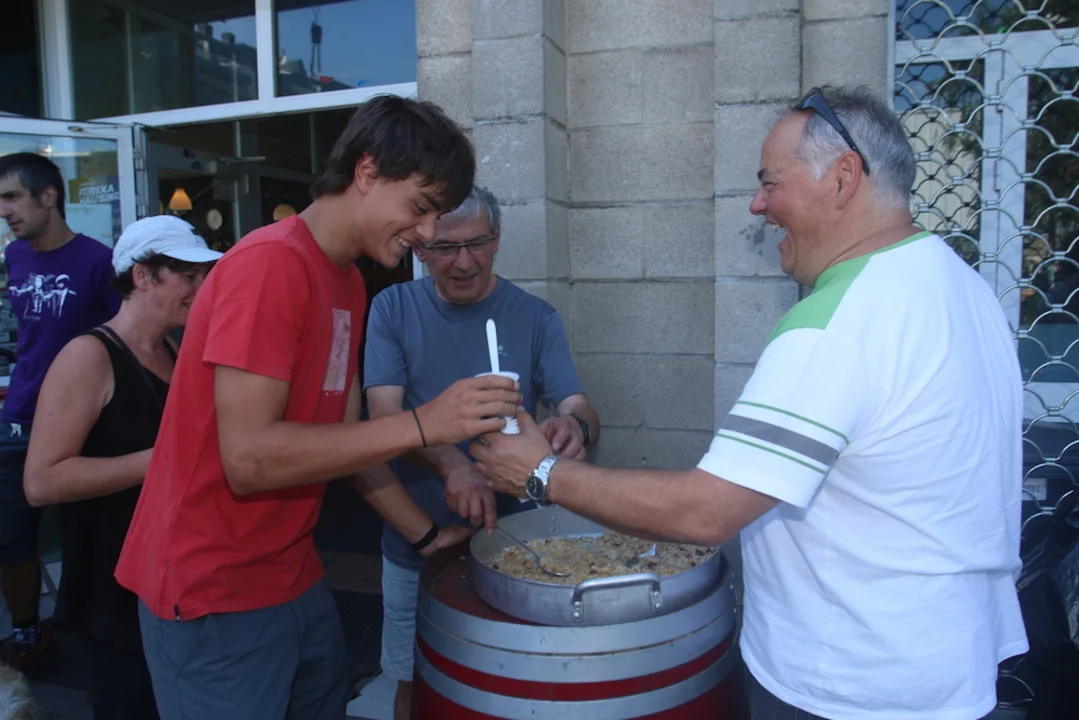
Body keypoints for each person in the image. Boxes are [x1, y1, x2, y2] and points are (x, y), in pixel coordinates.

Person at [472, 85, 1028, 720]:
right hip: (947, 664)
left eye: (770, 183)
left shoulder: (841, 322)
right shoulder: (961, 285)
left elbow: (706, 512)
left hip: (852, 683)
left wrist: (541, 473)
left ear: (843, 177)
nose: (758, 205)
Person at [113, 96, 521, 720]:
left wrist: (426, 533)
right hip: (211, 588)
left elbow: (345, 438)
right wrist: (422, 424)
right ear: (367, 171)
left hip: (292, 571)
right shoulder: (269, 264)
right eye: (420, 207)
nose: (427, 233)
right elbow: (249, 459)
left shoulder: (347, 279)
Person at [364, 186, 600, 720]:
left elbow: (578, 404)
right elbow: (382, 419)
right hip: (416, 541)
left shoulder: (536, 316)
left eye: (477, 243)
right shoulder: (393, 308)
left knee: (515, 687)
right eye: (446, 247)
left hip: (517, 546)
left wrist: (576, 429)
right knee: (413, 682)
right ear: (421, 248)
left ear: (497, 240)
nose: (464, 262)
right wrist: (451, 462)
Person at [23, 215, 221, 718]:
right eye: (188, 276)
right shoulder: (88, 355)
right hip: (111, 589)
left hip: (173, 580)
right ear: (142, 276)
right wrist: (162, 462)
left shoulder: (174, 349)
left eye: (204, 276)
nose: (201, 288)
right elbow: (41, 482)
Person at [0, 153, 120, 670]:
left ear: (48, 196)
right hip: (20, 415)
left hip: (84, 421)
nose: (4, 211)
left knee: (91, 534)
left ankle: (97, 626)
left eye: (12, 197)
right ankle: (28, 633)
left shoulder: (98, 261)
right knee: (10, 536)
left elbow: (124, 339)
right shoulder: (15, 256)